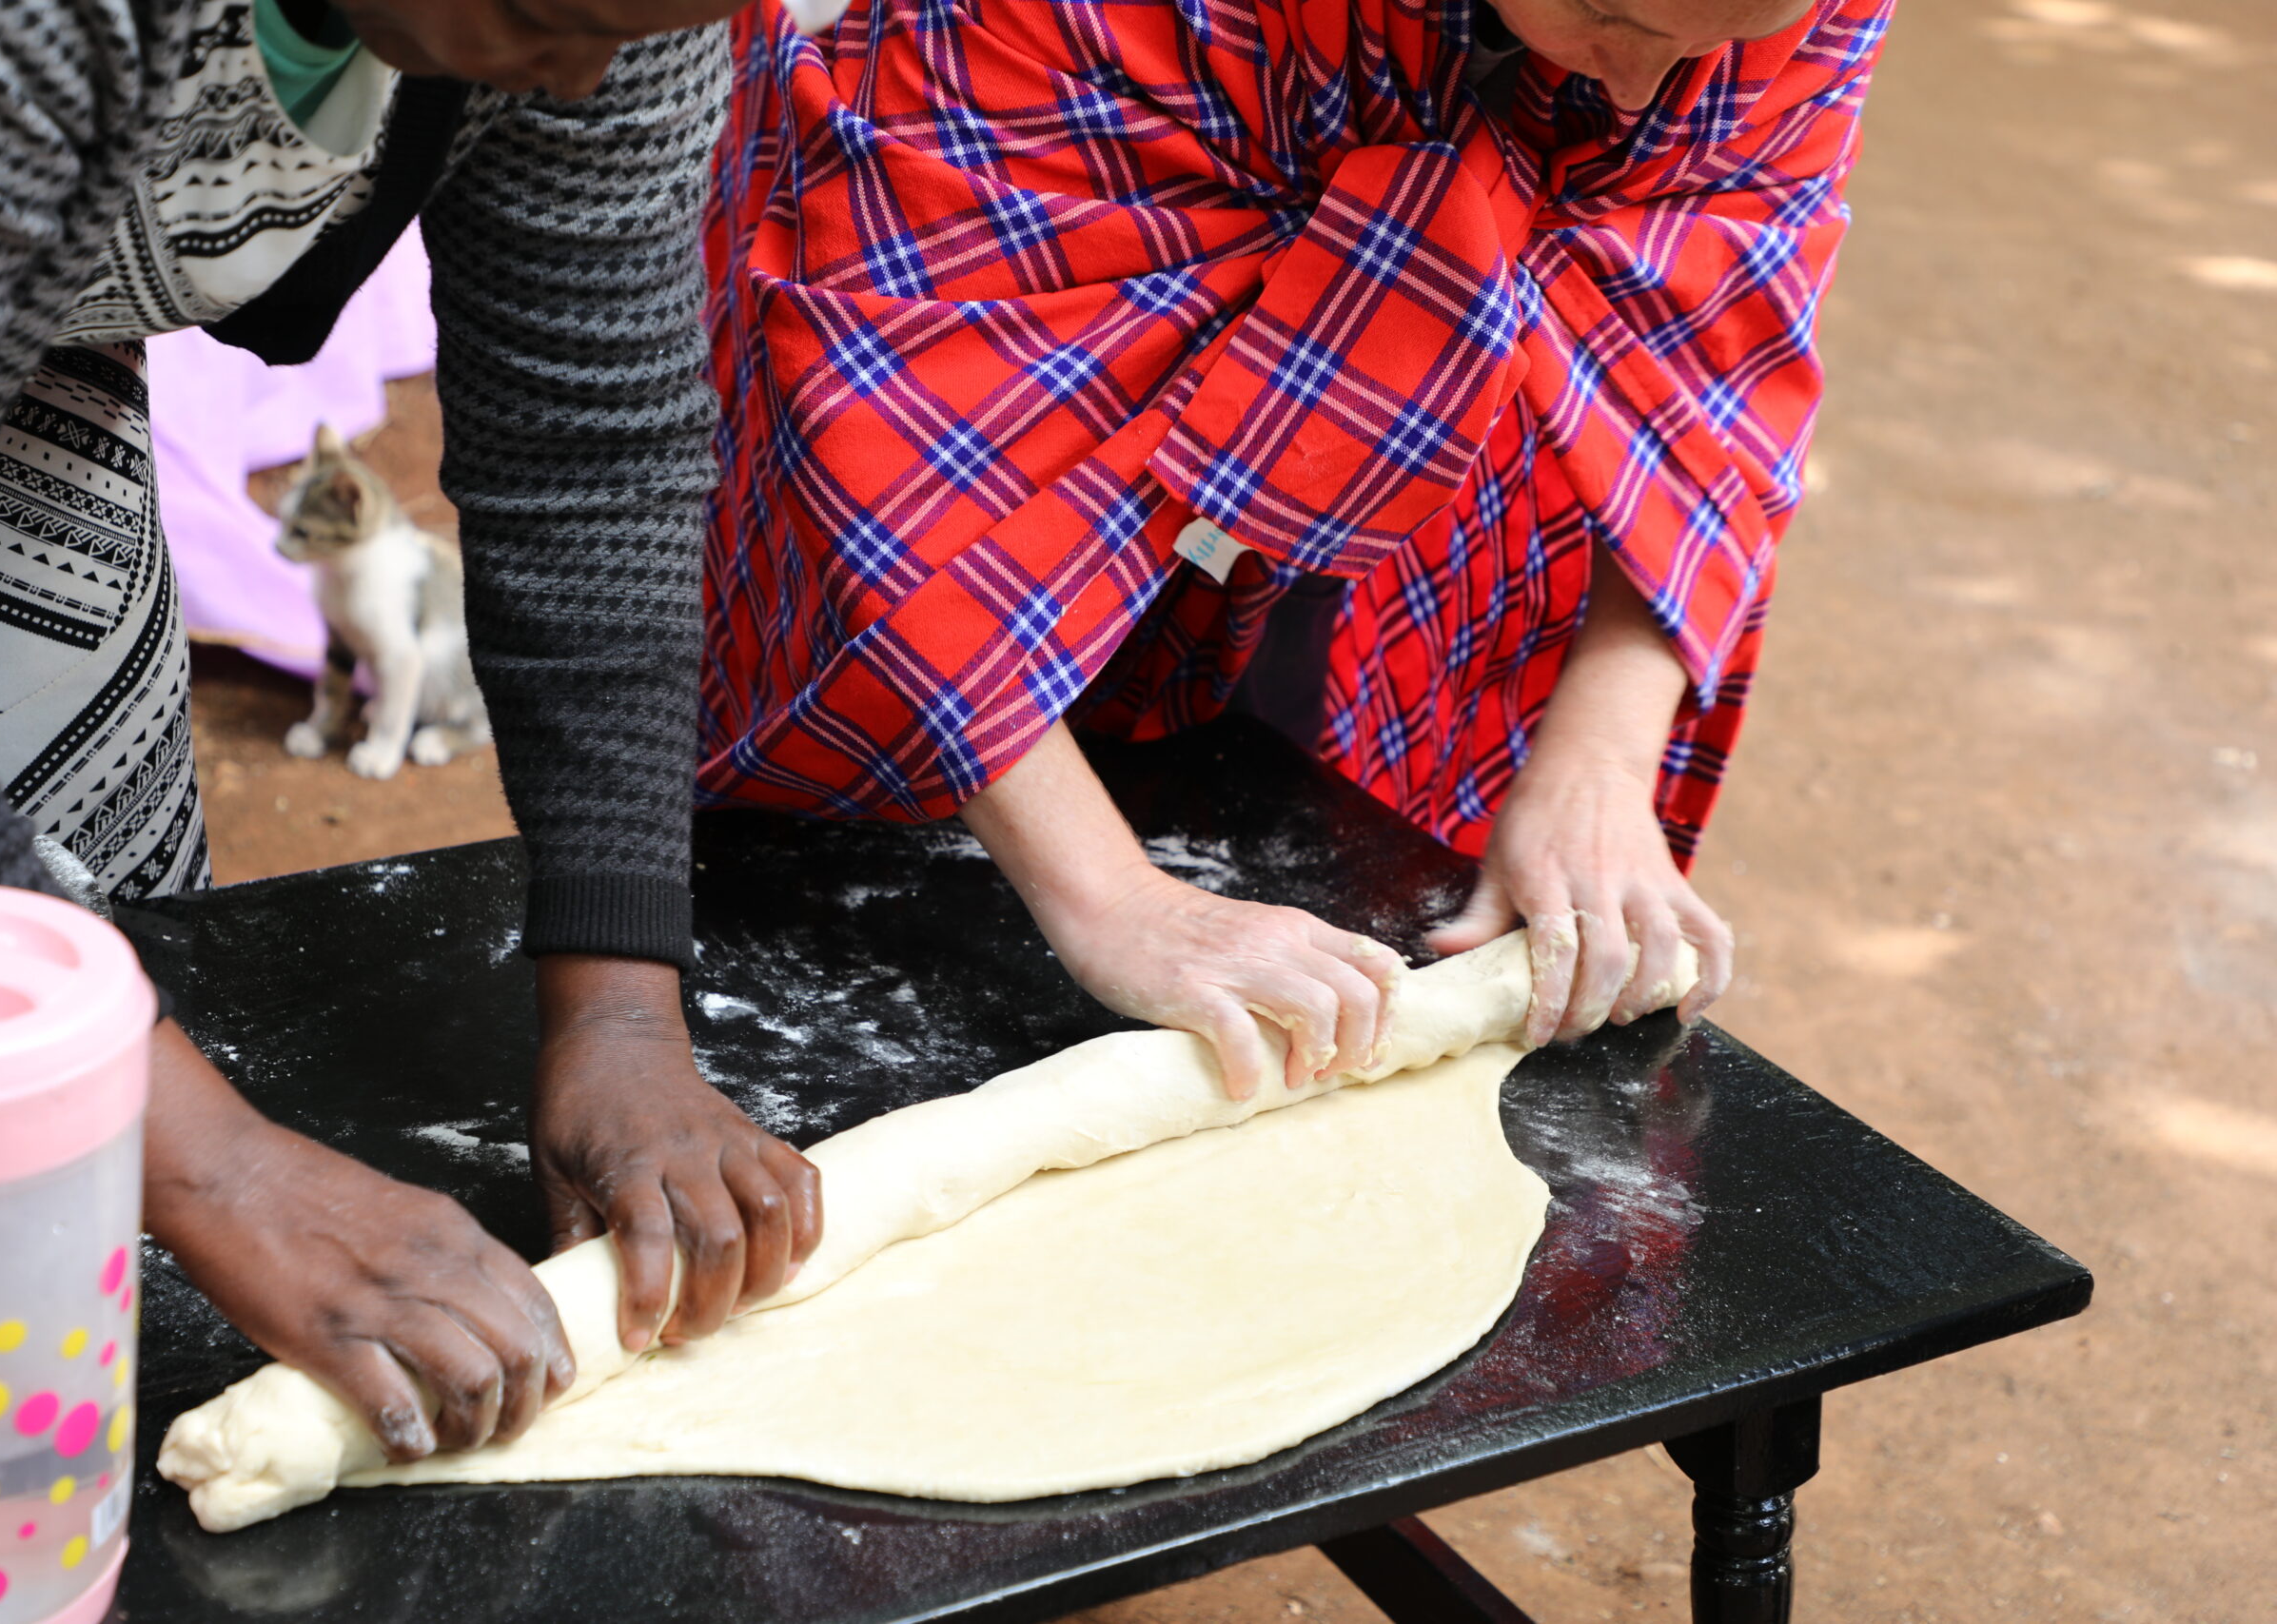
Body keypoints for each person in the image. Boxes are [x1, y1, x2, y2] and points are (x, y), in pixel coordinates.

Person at [0, 0, 816, 1465]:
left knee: (88, 1033)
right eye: (551, 16)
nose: (590, 73)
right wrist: (222, 1172)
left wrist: (620, 1010)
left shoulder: (617, 21)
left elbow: (590, 444)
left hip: (9, 352)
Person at [699, 0, 1890, 1091]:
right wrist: (1113, 898)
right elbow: (891, 432)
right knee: (815, 894)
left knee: (1305, 838)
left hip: (1398, 448)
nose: (1637, 91)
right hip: (969, 377)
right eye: (1607, 17)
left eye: (1712, 44)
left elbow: (1724, 327)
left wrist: (1599, 762)